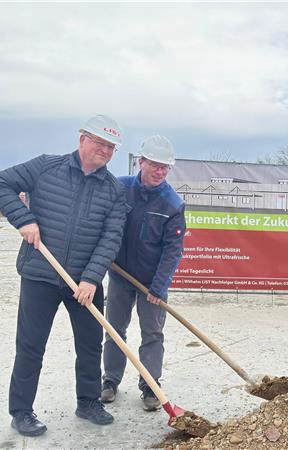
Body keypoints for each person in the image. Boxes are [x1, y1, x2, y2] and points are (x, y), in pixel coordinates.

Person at [0, 115, 128, 437]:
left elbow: (111, 238)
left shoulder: (114, 190)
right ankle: (21, 411)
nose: (104, 150)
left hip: (84, 282)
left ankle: (88, 402)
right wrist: (23, 219)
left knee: (91, 345)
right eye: (99, 143)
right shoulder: (46, 167)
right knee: (31, 346)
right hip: (40, 275)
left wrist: (91, 279)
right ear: (82, 139)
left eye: (111, 147)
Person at [100, 135, 186, 411]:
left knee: (152, 334)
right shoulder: (121, 189)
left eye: (165, 167)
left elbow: (173, 250)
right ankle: (110, 381)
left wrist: (158, 287)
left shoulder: (172, 203)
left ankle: (150, 386)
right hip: (119, 276)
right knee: (114, 330)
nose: (160, 171)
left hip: (151, 282)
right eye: (155, 165)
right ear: (141, 162)